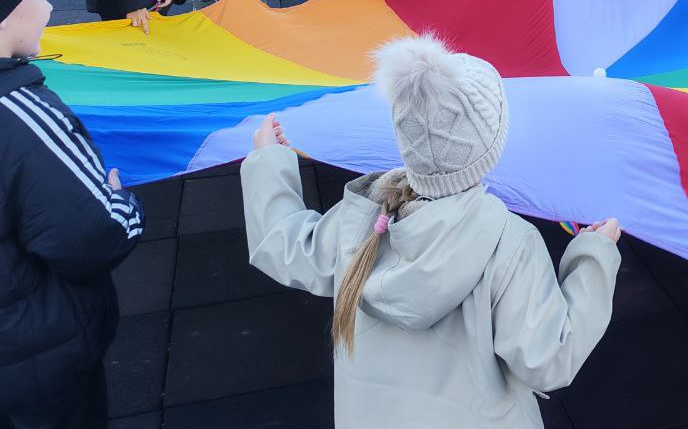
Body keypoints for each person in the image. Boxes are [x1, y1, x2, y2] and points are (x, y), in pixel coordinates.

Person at [241, 33, 622, 426]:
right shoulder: (511, 243)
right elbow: (547, 361)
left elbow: (285, 246)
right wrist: (593, 258)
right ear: (491, 146)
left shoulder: (361, 222)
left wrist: (268, 159)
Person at [0, 0, 145, 427]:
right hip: (35, 363)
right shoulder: (22, 116)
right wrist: (121, 203)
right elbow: (92, 238)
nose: (48, 8)